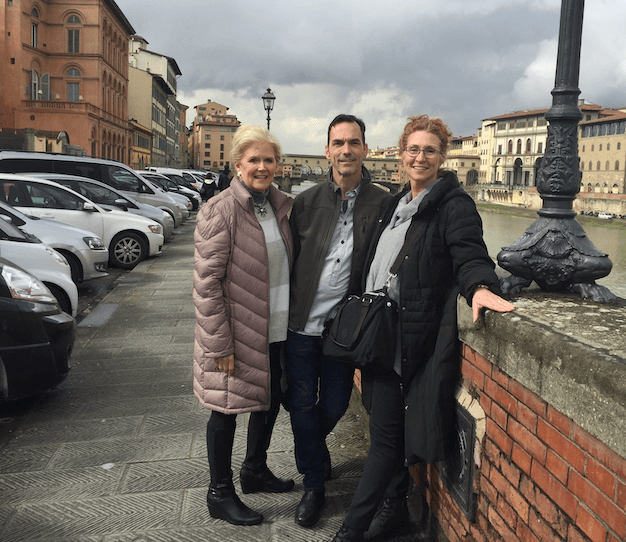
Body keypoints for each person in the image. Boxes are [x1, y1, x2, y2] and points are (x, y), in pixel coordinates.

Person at [331, 115, 516, 542]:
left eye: (429, 150)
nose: (420, 157)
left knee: (383, 441)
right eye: (413, 149)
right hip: (375, 335)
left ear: (442, 157)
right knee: (384, 427)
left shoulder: (454, 204)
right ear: (401, 154)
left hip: (408, 341)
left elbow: (468, 252)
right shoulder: (397, 202)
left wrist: (481, 287)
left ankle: (352, 529)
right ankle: (396, 512)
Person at [286, 114, 392, 528]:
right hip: (300, 325)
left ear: (365, 149)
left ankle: (312, 449)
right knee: (300, 404)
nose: (346, 150)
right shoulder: (305, 203)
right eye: (338, 143)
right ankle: (313, 485)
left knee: (331, 404)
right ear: (327, 150)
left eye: (354, 142)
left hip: (344, 331)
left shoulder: (383, 203)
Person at [193, 124, 295, 526]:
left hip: (275, 328)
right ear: (237, 165)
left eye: (269, 159)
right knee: (225, 410)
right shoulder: (220, 210)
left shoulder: (278, 206)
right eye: (254, 159)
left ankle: (254, 470)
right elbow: (206, 285)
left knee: (266, 401)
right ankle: (219, 492)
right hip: (235, 334)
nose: (262, 166)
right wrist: (220, 346)